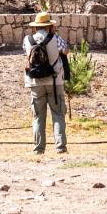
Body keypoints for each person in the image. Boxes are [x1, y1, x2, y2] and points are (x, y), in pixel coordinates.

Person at [20, 10, 71, 155]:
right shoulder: (56, 38)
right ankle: (60, 147)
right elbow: (66, 50)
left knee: (38, 117)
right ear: (49, 26)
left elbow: (26, 53)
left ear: (36, 26)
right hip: (55, 82)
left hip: (35, 82)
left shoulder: (27, 40)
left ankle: (38, 148)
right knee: (58, 114)